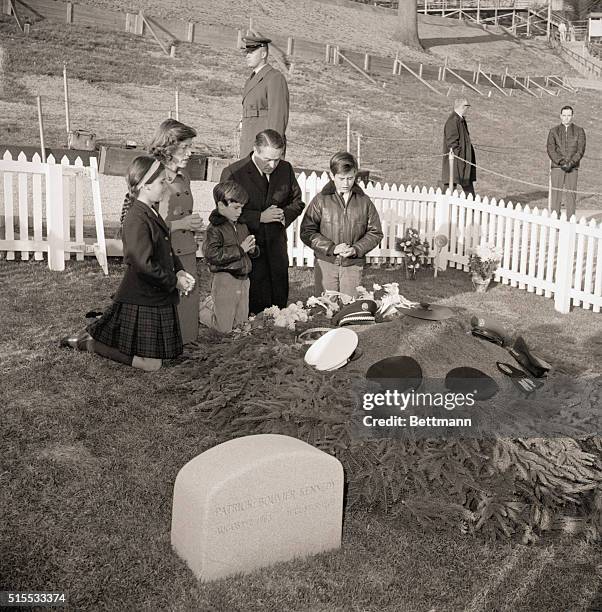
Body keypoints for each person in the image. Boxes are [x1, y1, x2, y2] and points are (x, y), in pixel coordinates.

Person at [60, 156, 196, 371]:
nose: (166, 186)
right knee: (151, 365)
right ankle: (90, 344)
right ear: (144, 185)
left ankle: (98, 334)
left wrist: (179, 271)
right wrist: (174, 281)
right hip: (142, 298)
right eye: (162, 181)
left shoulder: (151, 211)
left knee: (160, 356)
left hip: (157, 295)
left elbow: (166, 248)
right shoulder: (136, 217)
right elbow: (141, 263)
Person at [220, 129, 305, 314]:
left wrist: (284, 214)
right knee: (254, 301)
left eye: (277, 159)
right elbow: (225, 212)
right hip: (249, 247)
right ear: (255, 150)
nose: (273, 165)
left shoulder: (286, 169)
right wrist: (259, 217)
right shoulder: (234, 173)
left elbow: (297, 202)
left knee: (278, 298)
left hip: (276, 246)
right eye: (267, 159)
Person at [148, 119, 203, 344]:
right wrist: (183, 224)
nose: (190, 153)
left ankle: (186, 344)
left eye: (191, 146)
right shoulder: (151, 175)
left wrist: (194, 226)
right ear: (168, 147)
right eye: (185, 147)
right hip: (164, 252)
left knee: (188, 299)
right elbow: (145, 224)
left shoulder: (184, 175)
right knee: (167, 300)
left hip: (186, 249)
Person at [300, 151, 383, 297]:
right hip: (326, 263)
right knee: (325, 306)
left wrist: (356, 249)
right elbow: (307, 232)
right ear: (332, 176)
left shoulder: (365, 202)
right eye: (341, 178)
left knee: (349, 306)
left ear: (356, 174)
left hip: (353, 264)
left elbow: (375, 233)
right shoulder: (320, 201)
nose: (346, 183)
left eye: (350, 178)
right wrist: (332, 248)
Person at [199, 181, 260, 334]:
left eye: (242, 208)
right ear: (221, 206)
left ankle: (231, 323)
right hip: (225, 278)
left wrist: (252, 250)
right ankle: (202, 312)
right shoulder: (215, 229)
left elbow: (248, 249)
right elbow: (212, 255)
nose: (240, 212)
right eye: (236, 208)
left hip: (244, 278)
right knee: (224, 328)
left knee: (241, 323)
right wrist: (241, 249)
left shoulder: (241, 225)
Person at [239, 35, 289, 158]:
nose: (247, 55)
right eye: (247, 52)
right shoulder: (251, 79)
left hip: (264, 146)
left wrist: (272, 150)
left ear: (263, 54)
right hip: (249, 141)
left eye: (251, 51)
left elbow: (277, 118)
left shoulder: (274, 78)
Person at [547, 105, 586, 219]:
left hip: (572, 168)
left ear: (572, 116)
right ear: (560, 116)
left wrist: (571, 163)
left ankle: (570, 220)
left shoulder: (579, 131)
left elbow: (581, 150)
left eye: (569, 115)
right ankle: (555, 220)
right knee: (556, 195)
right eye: (564, 115)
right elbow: (550, 149)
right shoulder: (553, 131)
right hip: (557, 167)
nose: (566, 118)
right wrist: (560, 162)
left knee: (571, 194)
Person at [441, 98, 476, 198]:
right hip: (456, 160)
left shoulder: (461, 120)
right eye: (467, 106)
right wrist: (460, 155)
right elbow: (452, 142)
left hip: (463, 159)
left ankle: (473, 207)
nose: (468, 108)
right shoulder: (453, 121)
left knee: (466, 183)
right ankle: (443, 205)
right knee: (450, 183)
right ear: (462, 107)